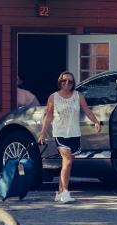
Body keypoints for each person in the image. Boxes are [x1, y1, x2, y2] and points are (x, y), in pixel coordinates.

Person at [37, 71, 102, 204]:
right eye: (64, 81)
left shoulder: (78, 96)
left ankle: (59, 192)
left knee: (66, 164)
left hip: (74, 133)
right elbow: (48, 116)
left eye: (70, 81)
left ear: (73, 84)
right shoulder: (53, 97)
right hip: (60, 133)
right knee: (67, 162)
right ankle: (65, 192)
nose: (66, 83)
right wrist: (42, 133)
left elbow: (87, 110)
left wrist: (95, 121)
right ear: (60, 82)